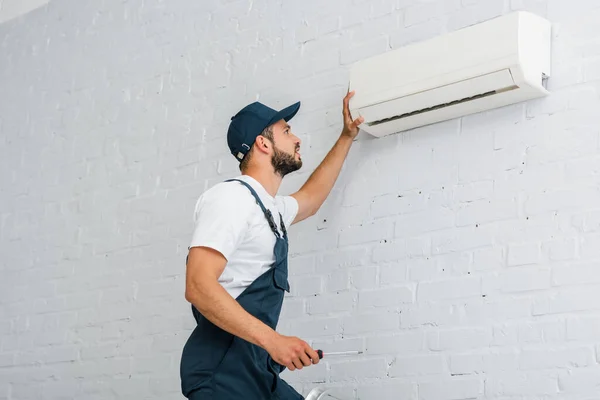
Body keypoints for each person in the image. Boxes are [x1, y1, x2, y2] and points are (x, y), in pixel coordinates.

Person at [180, 91, 364, 399]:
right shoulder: (232, 198)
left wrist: (346, 137)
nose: (297, 139)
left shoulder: (270, 210)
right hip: (222, 376)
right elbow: (197, 286)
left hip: (255, 370)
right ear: (263, 143)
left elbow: (311, 198)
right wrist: (274, 341)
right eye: (287, 131)